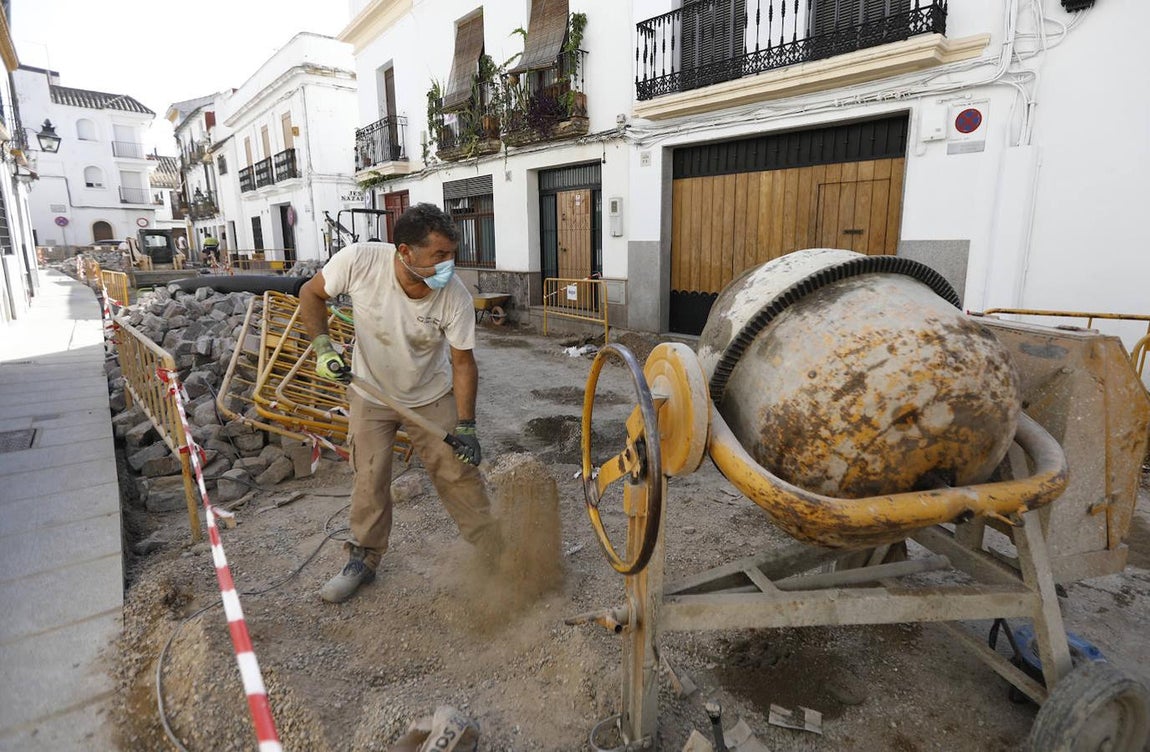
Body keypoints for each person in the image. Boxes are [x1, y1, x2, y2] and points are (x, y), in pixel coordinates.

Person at [298, 203, 500, 603]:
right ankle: (364, 559)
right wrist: (323, 347)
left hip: (430, 394)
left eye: (452, 254)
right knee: (369, 477)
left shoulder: (454, 297)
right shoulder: (360, 261)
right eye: (439, 255)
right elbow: (311, 293)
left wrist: (467, 426)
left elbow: (463, 362)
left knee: (457, 474)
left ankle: (494, 551)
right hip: (370, 391)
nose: (449, 264)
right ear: (405, 252)